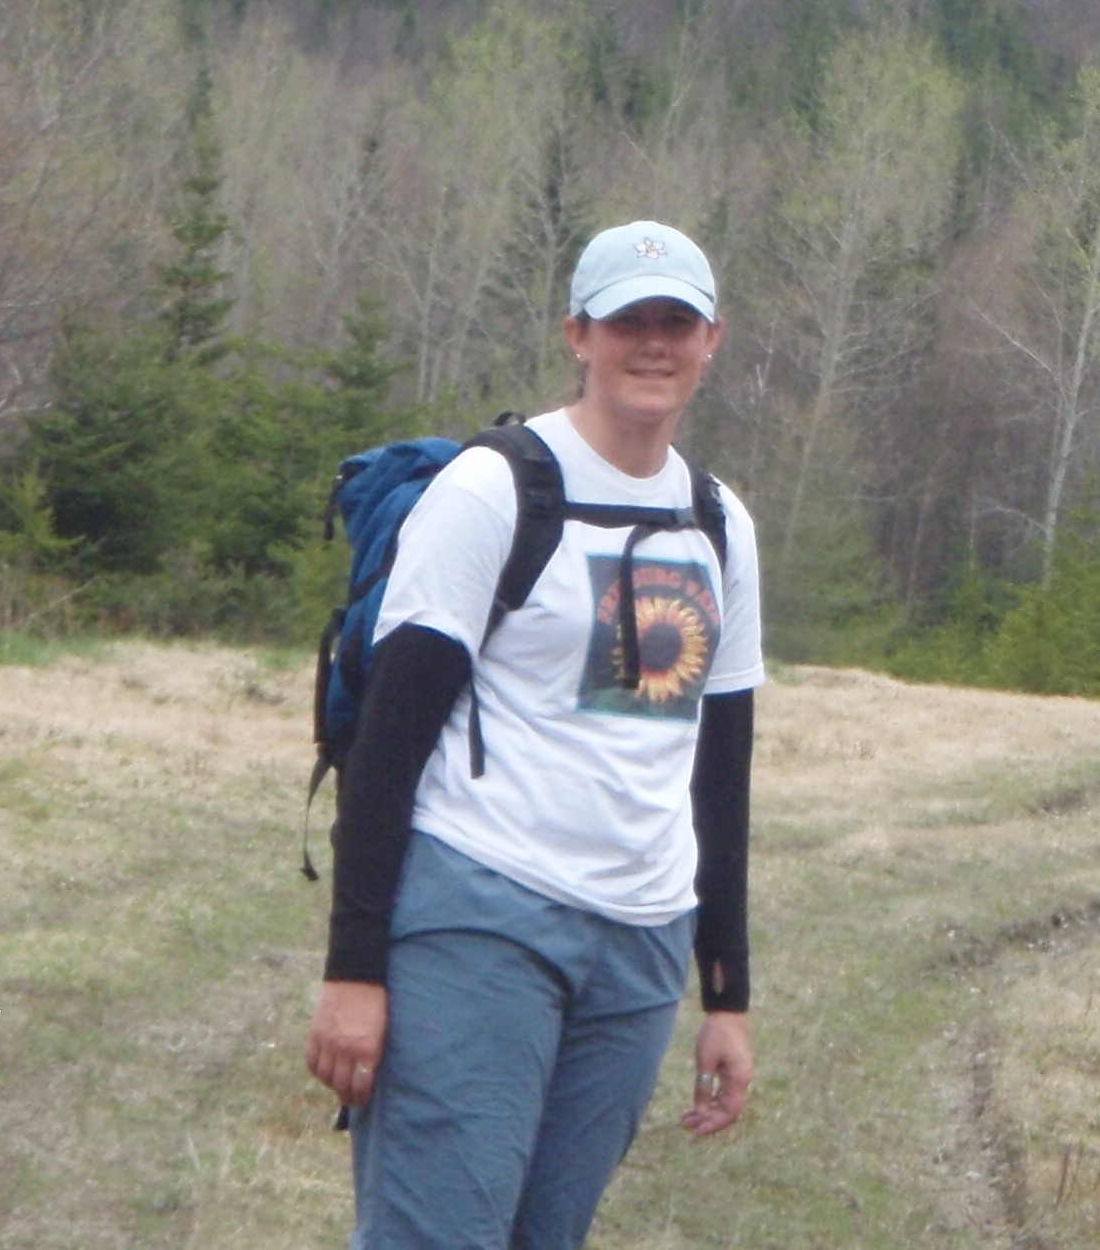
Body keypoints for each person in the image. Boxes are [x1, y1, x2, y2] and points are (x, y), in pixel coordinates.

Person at [304, 221, 761, 1250]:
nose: (654, 343)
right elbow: (389, 748)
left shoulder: (719, 522)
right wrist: (354, 971)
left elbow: (720, 771)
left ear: (712, 339)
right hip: (481, 916)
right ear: (578, 335)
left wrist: (725, 993)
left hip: (640, 945)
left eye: (676, 321)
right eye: (627, 321)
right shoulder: (494, 489)